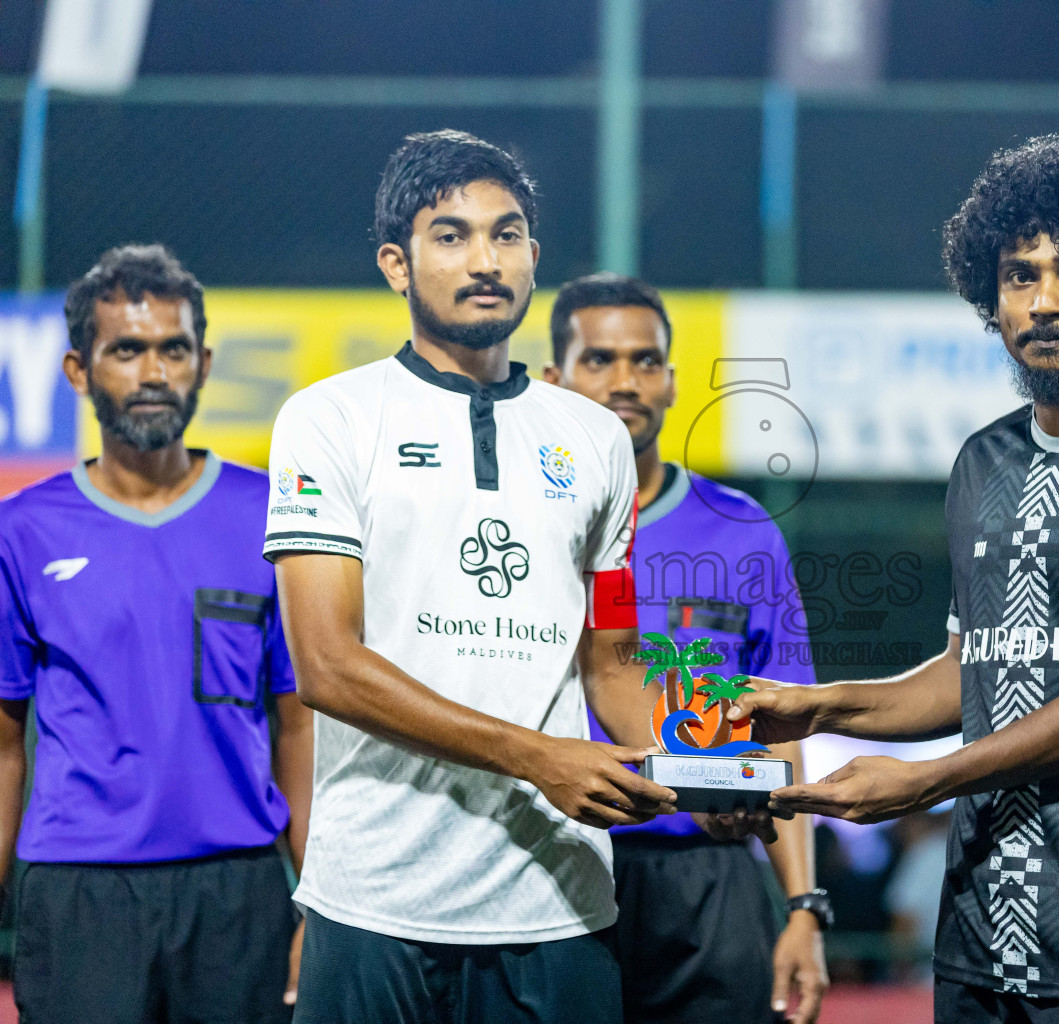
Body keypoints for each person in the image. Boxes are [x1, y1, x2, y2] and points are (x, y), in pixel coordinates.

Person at [268, 130, 762, 1024]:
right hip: (375, 900)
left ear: (534, 257)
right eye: (450, 235)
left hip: (558, 903)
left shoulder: (596, 440)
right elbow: (327, 669)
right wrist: (537, 756)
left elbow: (611, 665)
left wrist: (712, 762)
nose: (484, 259)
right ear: (396, 263)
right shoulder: (330, 419)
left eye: (506, 235)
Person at [734, 134, 1059, 1023]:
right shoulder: (982, 460)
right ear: (988, 296)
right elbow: (975, 669)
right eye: (1018, 275)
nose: (1043, 301)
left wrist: (928, 780)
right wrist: (822, 708)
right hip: (977, 937)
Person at [0, 244, 312, 1023]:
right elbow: (3, 743)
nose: (151, 372)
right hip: (78, 893)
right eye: (126, 350)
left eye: (172, 349)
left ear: (203, 363)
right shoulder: (24, 530)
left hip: (239, 888)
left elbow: (299, 727)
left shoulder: (272, 515)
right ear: (78, 371)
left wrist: (317, 901)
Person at [544, 272, 829, 1024]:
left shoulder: (742, 529)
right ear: (553, 380)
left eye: (644, 361)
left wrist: (802, 903)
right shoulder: (524, 530)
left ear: (671, 381)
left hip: (711, 875)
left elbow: (784, 731)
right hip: (558, 869)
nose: (625, 381)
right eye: (598, 360)